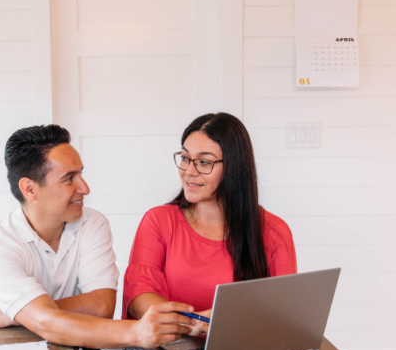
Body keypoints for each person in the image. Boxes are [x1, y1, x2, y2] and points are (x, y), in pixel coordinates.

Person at [0, 124, 198, 349]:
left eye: (81, 174)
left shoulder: (92, 223)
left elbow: (102, 306)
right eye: (69, 178)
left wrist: (15, 313)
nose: (85, 188)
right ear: (29, 189)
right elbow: (46, 323)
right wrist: (136, 332)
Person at [122, 113, 297, 332]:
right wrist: (194, 324)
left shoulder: (274, 232)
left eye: (204, 162)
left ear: (234, 168)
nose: (189, 172)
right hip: (171, 348)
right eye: (185, 158)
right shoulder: (158, 221)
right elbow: (140, 293)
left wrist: (220, 323)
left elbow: (283, 314)